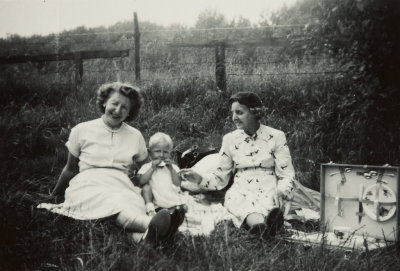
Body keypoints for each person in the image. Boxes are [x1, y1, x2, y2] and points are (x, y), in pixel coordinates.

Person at [37, 82, 185, 246]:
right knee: (116, 203)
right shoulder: (81, 130)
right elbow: (70, 169)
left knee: (127, 202)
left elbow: (148, 169)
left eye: (124, 108)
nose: (117, 110)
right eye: (114, 103)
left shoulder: (134, 136)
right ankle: (151, 225)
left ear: (129, 112)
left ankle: (144, 239)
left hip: (120, 184)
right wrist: (55, 195)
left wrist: (160, 191)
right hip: (88, 183)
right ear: (104, 102)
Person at [179, 91, 295, 239]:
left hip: (268, 183)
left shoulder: (276, 136)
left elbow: (287, 174)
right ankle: (264, 228)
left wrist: (282, 190)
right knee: (240, 201)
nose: (234, 118)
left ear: (255, 113)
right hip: (241, 185)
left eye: (239, 113)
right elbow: (220, 178)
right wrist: (199, 178)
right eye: (232, 113)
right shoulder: (229, 139)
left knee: (268, 200)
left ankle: (266, 226)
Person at [137, 132, 187, 215]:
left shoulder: (172, 167)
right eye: (157, 151)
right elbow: (141, 182)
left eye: (165, 152)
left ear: (170, 153)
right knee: (146, 188)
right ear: (149, 153)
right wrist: (152, 168)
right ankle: (151, 210)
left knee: (182, 209)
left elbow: (178, 184)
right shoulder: (147, 167)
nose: (161, 155)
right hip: (156, 201)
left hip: (172, 199)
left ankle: (174, 214)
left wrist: (171, 169)